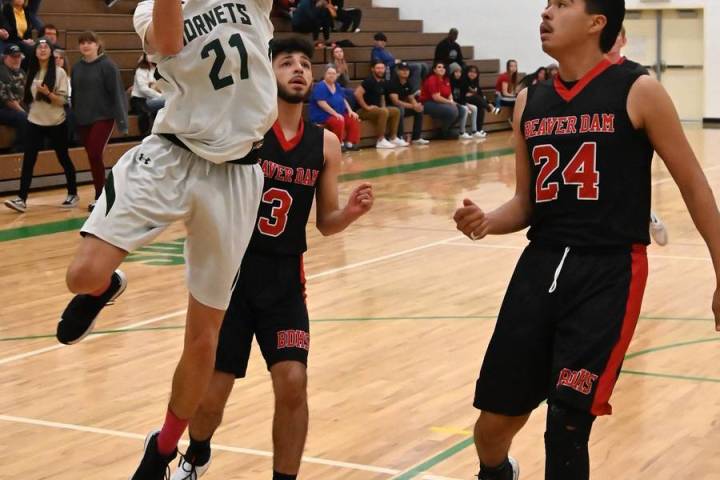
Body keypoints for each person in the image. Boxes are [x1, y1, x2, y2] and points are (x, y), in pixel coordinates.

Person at [453, 1, 720, 480]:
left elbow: (695, 187)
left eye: (562, 4)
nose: (546, 13)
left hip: (608, 272)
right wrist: (487, 221)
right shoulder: (529, 102)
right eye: (547, 4)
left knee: (567, 422)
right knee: (492, 427)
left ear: (598, 23)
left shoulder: (639, 91)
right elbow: (526, 202)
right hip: (540, 266)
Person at [56, 1, 278, 479]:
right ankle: (104, 287)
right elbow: (170, 42)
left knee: (203, 340)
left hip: (236, 176)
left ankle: (162, 448)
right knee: (82, 275)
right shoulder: (149, 10)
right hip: (172, 156)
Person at [168, 36, 374, 480]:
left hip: (283, 282)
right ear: (267, 73)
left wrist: (350, 214)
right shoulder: (246, 131)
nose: (299, 69)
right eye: (286, 63)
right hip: (232, 277)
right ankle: (196, 453)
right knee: (213, 393)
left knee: (293, 383)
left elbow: (325, 222)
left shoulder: (325, 144)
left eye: (304, 63)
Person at [605, 25, 668, 246]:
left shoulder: (637, 75)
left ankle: (645, 212)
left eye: (616, 36)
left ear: (623, 41)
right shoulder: (588, 72)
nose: (612, 40)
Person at [4, 38, 77, 213]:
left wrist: (47, 93)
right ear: (35, 52)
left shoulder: (59, 73)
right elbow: (27, 98)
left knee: (63, 158)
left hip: (56, 122)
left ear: (51, 52)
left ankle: (72, 193)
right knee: (28, 160)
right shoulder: (32, 72)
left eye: (46, 47)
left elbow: (62, 101)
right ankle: (21, 199)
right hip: (34, 121)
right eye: (39, 47)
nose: (42, 49)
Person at [70, 31, 128, 211]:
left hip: (104, 116)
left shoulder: (108, 66)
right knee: (93, 158)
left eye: (89, 42)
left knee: (95, 153)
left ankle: (99, 195)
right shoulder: (77, 67)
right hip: (82, 118)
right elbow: (76, 95)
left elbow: (118, 94)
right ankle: (104, 194)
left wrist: (122, 121)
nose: (86, 45)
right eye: (82, 42)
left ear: (97, 45)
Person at [354, 60, 405, 149]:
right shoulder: (369, 80)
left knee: (396, 111)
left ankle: (393, 137)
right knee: (383, 112)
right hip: (361, 111)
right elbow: (357, 93)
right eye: (378, 68)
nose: (380, 70)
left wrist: (383, 107)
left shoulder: (382, 81)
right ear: (373, 69)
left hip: (376, 109)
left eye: (382, 68)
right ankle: (380, 140)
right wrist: (366, 107)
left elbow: (382, 97)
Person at [310, 65, 360, 151]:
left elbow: (343, 99)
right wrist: (335, 113)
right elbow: (321, 103)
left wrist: (350, 111)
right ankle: (338, 143)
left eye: (334, 73)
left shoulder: (337, 86)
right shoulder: (320, 86)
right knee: (338, 120)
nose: (332, 75)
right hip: (324, 115)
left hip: (338, 112)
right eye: (329, 73)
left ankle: (350, 143)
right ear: (325, 74)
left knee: (353, 118)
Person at [420, 61, 468, 140]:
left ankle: (446, 129)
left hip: (441, 102)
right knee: (453, 110)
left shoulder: (446, 79)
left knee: (462, 110)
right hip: (428, 103)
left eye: (443, 67)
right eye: (439, 67)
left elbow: (449, 94)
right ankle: (444, 132)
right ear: (434, 70)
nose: (442, 69)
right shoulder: (432, 79)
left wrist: (451, 101)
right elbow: (436, 97)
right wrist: (450, 103)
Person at [387, 61, 429, 145]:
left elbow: (411, 97)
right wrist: (412, 106)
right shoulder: (392, 82)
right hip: (391, 107)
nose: (405, 71)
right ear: (397, 71)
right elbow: (396, 101)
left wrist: (416, 105)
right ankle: (400, 136)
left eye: (407, 70)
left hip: (402, 106)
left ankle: (416, 138)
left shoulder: (407, 83)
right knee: (400, 110)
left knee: (419, 110)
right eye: (402, 70)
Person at [130, 52, 165, 136]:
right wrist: (160, 96)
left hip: (154, 98)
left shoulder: (157, 70)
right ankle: (144, 134)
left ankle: (161, 133)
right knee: (145, 112)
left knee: (164, 107)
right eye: (148, 54)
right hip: (139, 99)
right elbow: (143, 89)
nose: (151, 57)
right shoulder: (141, 70)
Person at [0, 44, 26, 151]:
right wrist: (25, 113)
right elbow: (9, 101)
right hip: (3, 108)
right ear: (5, 58)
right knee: (24, 117)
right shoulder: (2, 73)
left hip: (16, 106)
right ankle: (19, 148)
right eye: (13, 57)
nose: (16, 60)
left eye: (18, 56)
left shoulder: (21, 72)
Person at [449, 63, 484, 139]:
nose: (458, 74)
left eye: (459, 72)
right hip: (452, 102)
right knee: (465, 109)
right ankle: (462, 132)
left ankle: (474, 131)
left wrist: (465, 104)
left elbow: (462, 97)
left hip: (461, 102)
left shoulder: (462, 82)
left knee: (474, 108)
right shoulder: (449, 82)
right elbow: (451, 98)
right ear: (452, 73)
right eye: (456, 72)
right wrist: (464, 105)